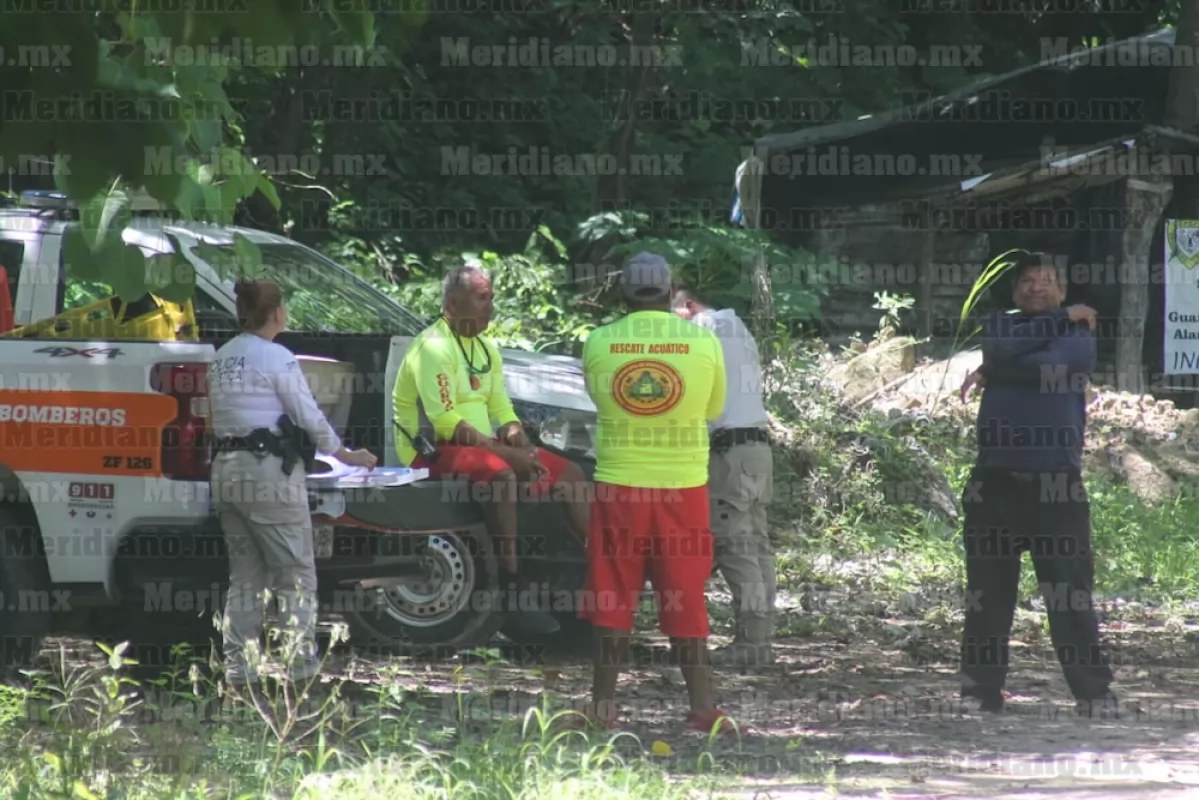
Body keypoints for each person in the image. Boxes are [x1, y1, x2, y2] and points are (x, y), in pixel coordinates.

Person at [575, 252, 737, 733]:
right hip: (683, 488)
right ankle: (704, 709)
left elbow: (598, 399)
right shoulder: (702, 341)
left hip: (619, 487)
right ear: (671, 293)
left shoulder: (599, 342)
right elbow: (714, 406)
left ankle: (603, 708)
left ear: (623, 295)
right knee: (684, 595)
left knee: (613, 594)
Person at [391, 265, 591, 639]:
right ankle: (511, 589)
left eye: (491, 298)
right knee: (499, 474)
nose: (490, 307)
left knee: (570, 476)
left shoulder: (484, 348)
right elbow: (446, 421)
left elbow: (501, 409)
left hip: (482, 446)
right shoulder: (434, 346)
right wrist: (508, 455)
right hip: (431, 451)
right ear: (453, 303)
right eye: (482, 299)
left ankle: (604, 573)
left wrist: (519, 441)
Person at [957, 251, 1117, 718]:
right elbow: (1003, 350)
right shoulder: (1004, 325)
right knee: (987, 598)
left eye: (1047, 280)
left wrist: (999, 364)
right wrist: (1012, 351)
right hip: (993, 485)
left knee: (1069, 596)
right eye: (1027, 280)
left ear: (1063, 290)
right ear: (1014, 291)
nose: (1036, 286)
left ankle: (1093, 694)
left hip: (1056, 490)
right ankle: (979, 694)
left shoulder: (1079, 333)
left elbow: (1045, 366)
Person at [208, 278, 377, 688]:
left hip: (226, 471)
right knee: (296, 573)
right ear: (279, 314)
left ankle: (238, 672)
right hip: (268, 474)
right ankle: (299, 671)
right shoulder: (277, 356)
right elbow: (308, 414)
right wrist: (345, 454)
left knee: (245, 577)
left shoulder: (221, 357)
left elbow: (212, 420)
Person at [672, 286, 776, 668]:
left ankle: (751, 641)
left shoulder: (702, 327)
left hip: (729, 451)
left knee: (736, 546)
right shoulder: (738, 328)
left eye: (672, 313)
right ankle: (761, 636)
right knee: (757, 542)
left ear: (688, 305)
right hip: (757, 447)